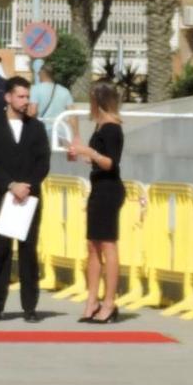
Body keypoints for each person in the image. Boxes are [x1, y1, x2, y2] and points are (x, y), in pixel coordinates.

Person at [0, 76, 50, 323]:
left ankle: (30, 306)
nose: (24, 101)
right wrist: (10, 185)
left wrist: (26, 187)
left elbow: (43, 163)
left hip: (28, 198)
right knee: (1, 253)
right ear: (8, 97)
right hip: (3, 198)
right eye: (20, 96)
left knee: (28, 253)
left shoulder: (37, 128)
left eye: (27, 96)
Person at [66, 81, 125, 323]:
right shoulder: (100, 127)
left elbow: (111, 162)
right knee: (93, 245)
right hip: (98, 186)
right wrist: (80, 150)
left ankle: (109, 302)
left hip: (109, 189)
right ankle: (92, 299)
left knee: (108, 245)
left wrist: (87, 152)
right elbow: (95, 157)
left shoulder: (112, 128)